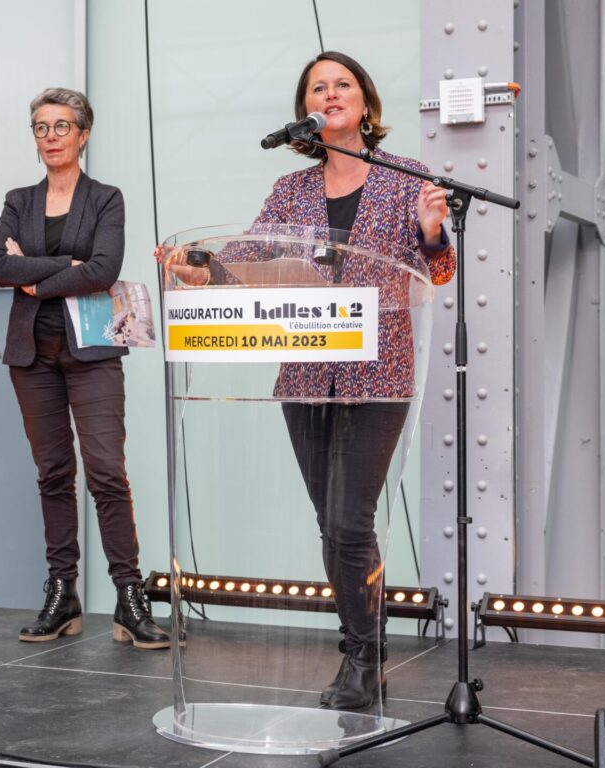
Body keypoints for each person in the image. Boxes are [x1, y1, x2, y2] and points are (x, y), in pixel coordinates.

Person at [160, 51, 455, 708]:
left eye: (341, 84)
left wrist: (433, 235)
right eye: (318, 88)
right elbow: (245, 256)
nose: (331, 93)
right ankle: (359, 649)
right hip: (305, 373)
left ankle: (365, 656)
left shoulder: (407, 178)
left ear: (365, 103)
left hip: (380, 372)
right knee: (330, 523)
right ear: (308, 114)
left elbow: (439, 274)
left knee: (353, 520)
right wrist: (198, 267)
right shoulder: (291, 192)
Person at [0, 88, 170, 650]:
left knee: (106, 473)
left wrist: (37, 277)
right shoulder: (20, 199)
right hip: (32, 356)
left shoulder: (106, 198)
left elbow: (103, 268)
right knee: (52, 474)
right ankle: (62, 592)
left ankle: (128, 597)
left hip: (92, 353)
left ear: (83, 133)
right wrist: (64, 264)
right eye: (41, 128)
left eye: (61, 127)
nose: (50, 138)